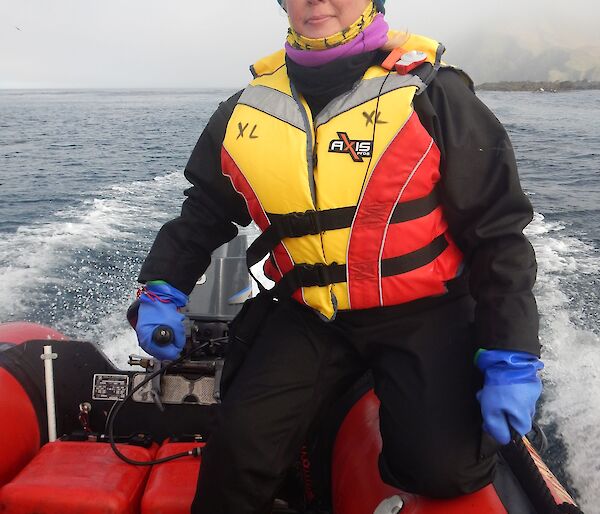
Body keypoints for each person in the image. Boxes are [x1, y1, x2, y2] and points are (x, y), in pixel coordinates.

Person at [134, 0, 544, 512]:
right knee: (237, 449)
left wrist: (512, 351)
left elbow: (498, 233)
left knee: (441, 470)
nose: (317, 0)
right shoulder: (244, 111)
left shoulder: (434, 95)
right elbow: (205, 211)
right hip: (311, 314)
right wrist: (162, 287)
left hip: (425, 313)